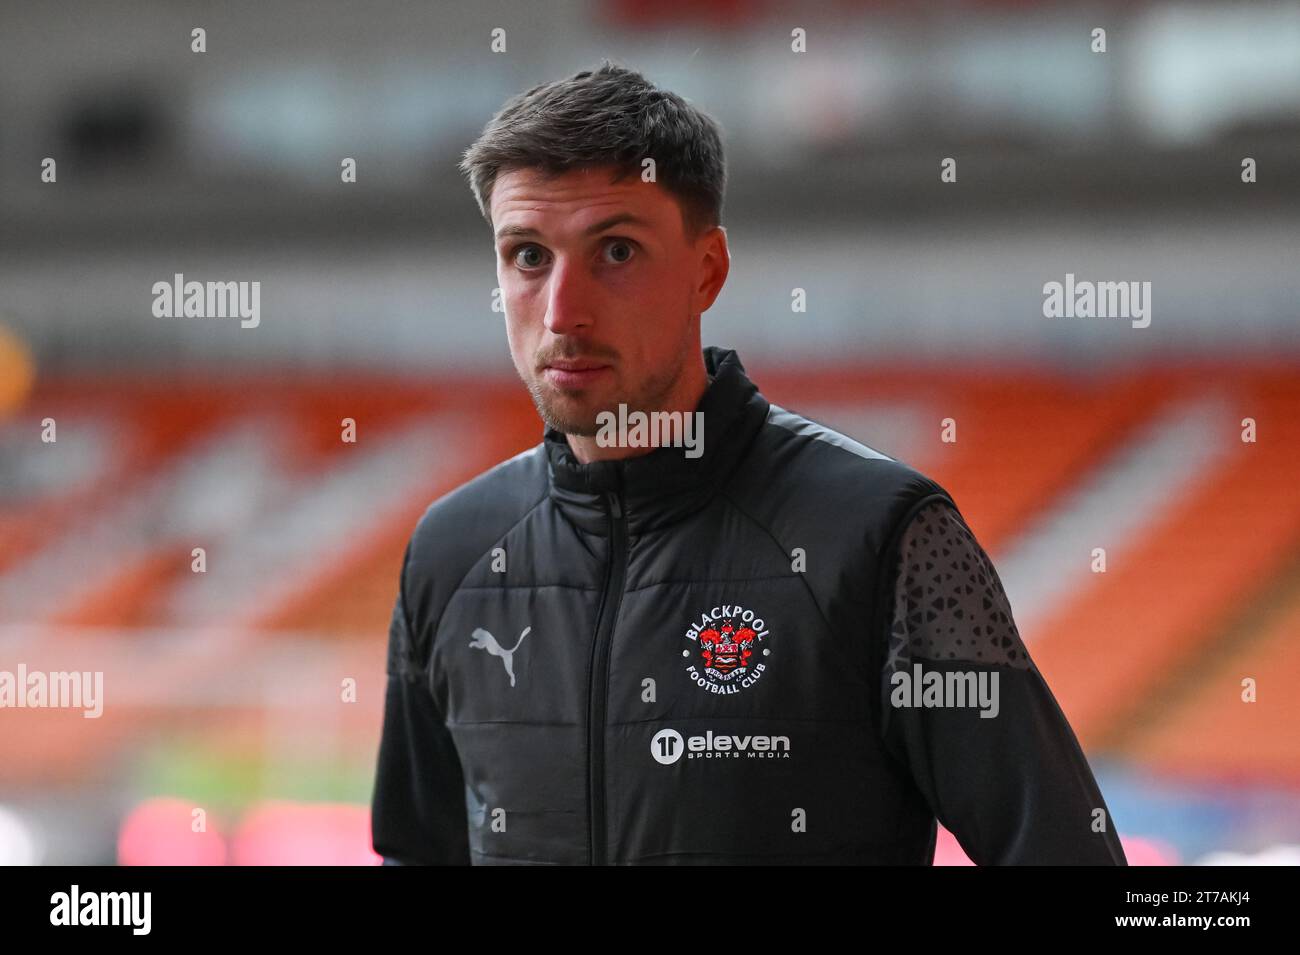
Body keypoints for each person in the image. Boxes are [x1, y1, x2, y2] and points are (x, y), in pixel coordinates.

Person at [370, 59, 1127, 865]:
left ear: (707, 270)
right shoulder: (452, 552)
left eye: (616, 251)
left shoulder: (882, 538)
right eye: (527, 255)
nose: (563, 311)